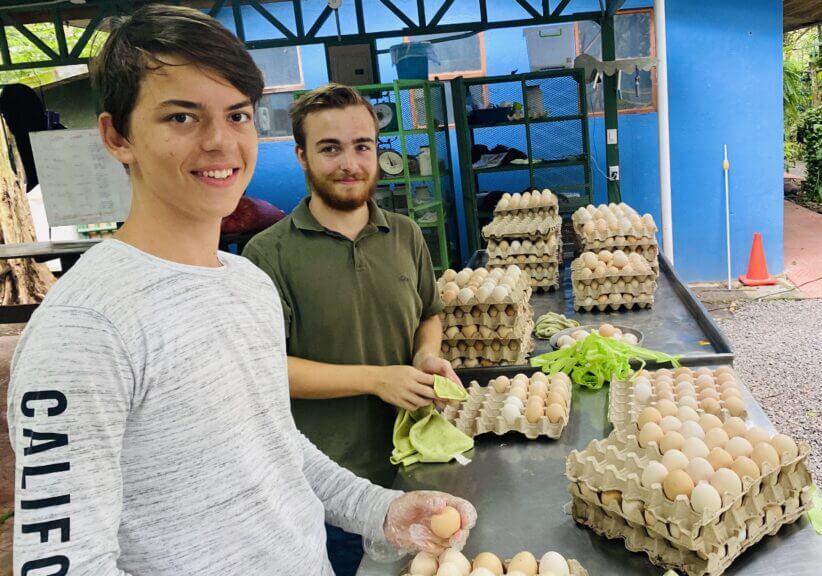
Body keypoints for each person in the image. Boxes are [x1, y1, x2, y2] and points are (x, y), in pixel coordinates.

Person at [6, 6, 474, 576]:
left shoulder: (248, 285)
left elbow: (276, 448)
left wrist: (383, 508)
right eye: (182, 117)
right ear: (117, 136)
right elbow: (64, 563)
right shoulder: (84, 328)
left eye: (237, 115)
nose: (220, 142)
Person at [242, 84, 459, 573]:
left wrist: (426, 356)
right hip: (325, 486)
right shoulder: (268, 254)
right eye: (330, 148)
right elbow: (265, 371)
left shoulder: (404, 234)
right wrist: (377, 378)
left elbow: (428, 313)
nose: (350, 163)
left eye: (362, 146)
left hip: (413, 468)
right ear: (301, 155)